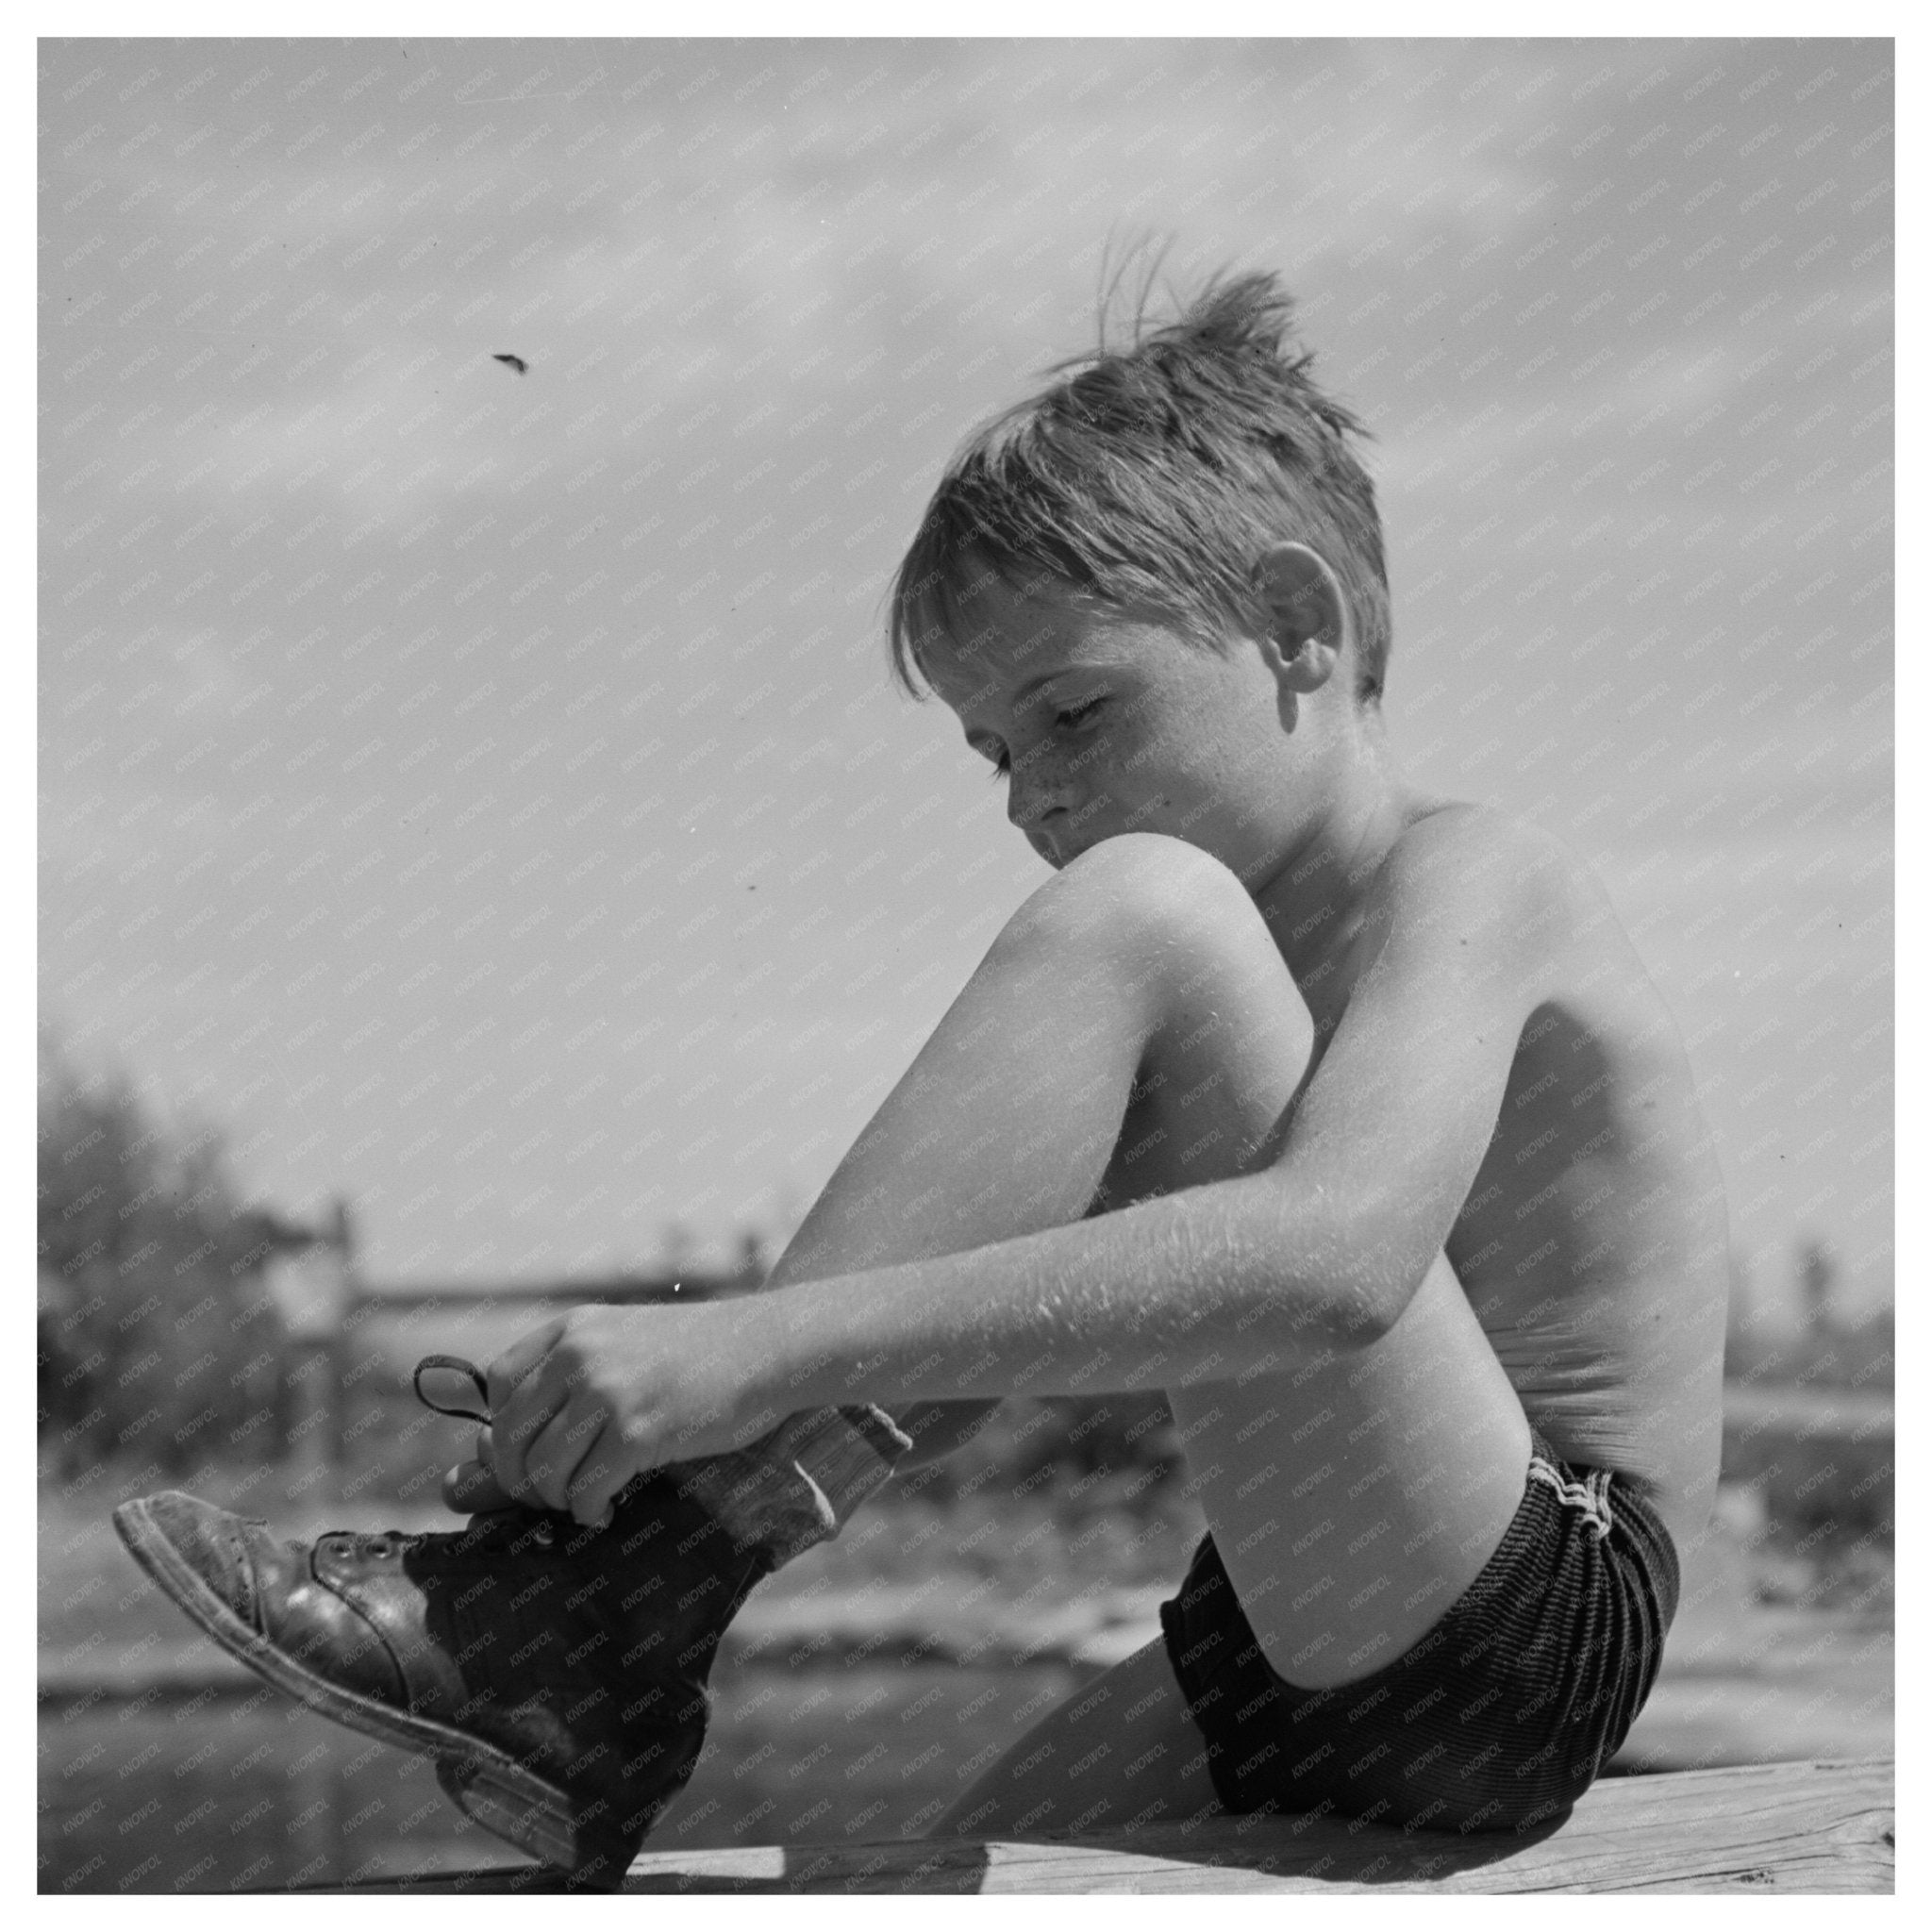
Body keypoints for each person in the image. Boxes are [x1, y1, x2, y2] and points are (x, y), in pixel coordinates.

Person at [115, 269, 1725, 1886]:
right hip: (1279, 1624)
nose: (1032, 796)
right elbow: (933, 1385)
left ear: (1298, 630)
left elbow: (1339, 1262)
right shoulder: (1223, 1032)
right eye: (996, 753)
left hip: (1528, 1628)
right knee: (910, 1879)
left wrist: (743, 1351)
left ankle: (593, 1622)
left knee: (1145, 909)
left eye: (1075, 712)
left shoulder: (1476, 878)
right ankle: (601, 1627)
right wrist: (640, 1446)